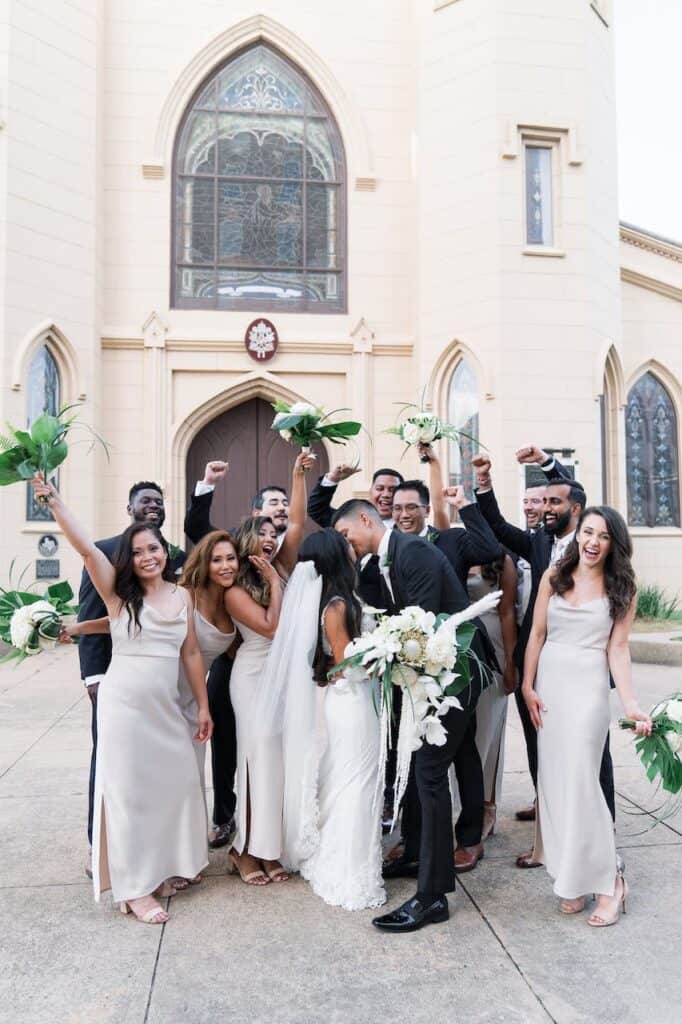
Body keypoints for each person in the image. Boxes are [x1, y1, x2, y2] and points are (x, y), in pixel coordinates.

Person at [32, 474, 211, 925]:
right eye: (138, 551)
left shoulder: (183, 595)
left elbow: (190, 652)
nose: (148, 557)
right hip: (125, 706)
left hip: (167, 707)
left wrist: (203, 705)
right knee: (129, 794)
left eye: (154, 548)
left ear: (165, 552)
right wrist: (56, 503)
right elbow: (89, 550)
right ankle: (134, 889)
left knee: (173, 787)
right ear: (127, 559)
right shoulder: (119, 595)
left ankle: (162, 867)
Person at [333, 499, 489, 933]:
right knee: (417, 771)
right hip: (423, 677)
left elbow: (422, 626)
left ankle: (432, 896)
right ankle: (420, 856)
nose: (348, 545)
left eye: (347, 535)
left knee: (430, 773)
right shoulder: (377, 563)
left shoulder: (414, 552)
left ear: (365, 520)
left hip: (454, 677)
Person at [474, 455, 617, 868]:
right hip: (541, 661)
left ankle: (602, 835)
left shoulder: (595, 543)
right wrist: (483, 484)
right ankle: (549, 837)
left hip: (585, 665)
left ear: (576, 509)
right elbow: (499, 528)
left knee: (593, 755)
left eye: (555, 502)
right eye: (545, 502)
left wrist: (550, 463)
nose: (547, 508)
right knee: (543, 748)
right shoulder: (537, 542)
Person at [522, 506, 652, 926]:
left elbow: (618, 649)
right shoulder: (553, 577)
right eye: (588, 532)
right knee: (555, 783)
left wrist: (630, 704)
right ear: (578, 535)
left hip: (589, 688)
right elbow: (537, 634)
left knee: (583, 783)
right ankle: (571, 878)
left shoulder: (623, 589)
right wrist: (527, 685)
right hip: (550, 686)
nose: (593, 542)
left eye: (603, 536)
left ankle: (611, 881)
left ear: (614, 544)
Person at [267, 530, 386, 910]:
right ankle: (348, 867)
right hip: (352, 699)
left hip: (355, 698)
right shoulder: (336, 606)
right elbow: (346, 664)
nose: (353, 549)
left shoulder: (342, 600)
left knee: (348, 776)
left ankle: (354, 855)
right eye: (347, 546)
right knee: (358, 780)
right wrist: (388, 654)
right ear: (337, 555)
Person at [389, 470, 502, 872]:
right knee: (416, 750)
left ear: (425, 509)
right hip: (410, 664)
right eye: (397, 507)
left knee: (462, 751)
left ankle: (470, 837)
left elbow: (491, 549)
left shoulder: (449, 539)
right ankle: (414, 839)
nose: (403, 514)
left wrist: (464, 506)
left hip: (458, 661)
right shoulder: (389, 551)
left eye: (411, 507)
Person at [76, 480, 185, 876]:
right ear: (129, 508)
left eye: (159, 502)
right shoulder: (107, 551)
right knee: (108, 763)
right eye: (145, 501)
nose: (153, 506)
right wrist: (93, 677)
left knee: (151, 767)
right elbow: (93, 611)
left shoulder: (169, 557)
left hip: (159, 686)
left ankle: (153, 850)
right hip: (115, 679)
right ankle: (99, 847)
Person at [225, 452, 313, 885]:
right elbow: (271, 627)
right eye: (260, 532)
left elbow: (295, 523)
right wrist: (278, 586)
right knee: (256, 758)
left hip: (288, 678)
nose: (269, 537)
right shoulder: (236, 585)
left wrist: (298, 476)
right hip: (254, 675)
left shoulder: (281, 563)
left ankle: (270, 847)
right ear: (245, 541)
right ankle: (243, 850)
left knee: (280, 759)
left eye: (271, 533)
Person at [467, 553, 518, 838]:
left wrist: (510, 662)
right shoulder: (455, 541)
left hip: (494, 643)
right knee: (466, 732)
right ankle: (465, 802)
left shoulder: (502, 559)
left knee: (489, 729)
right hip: (461, 641)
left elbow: (507, 611)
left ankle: (488, 806)